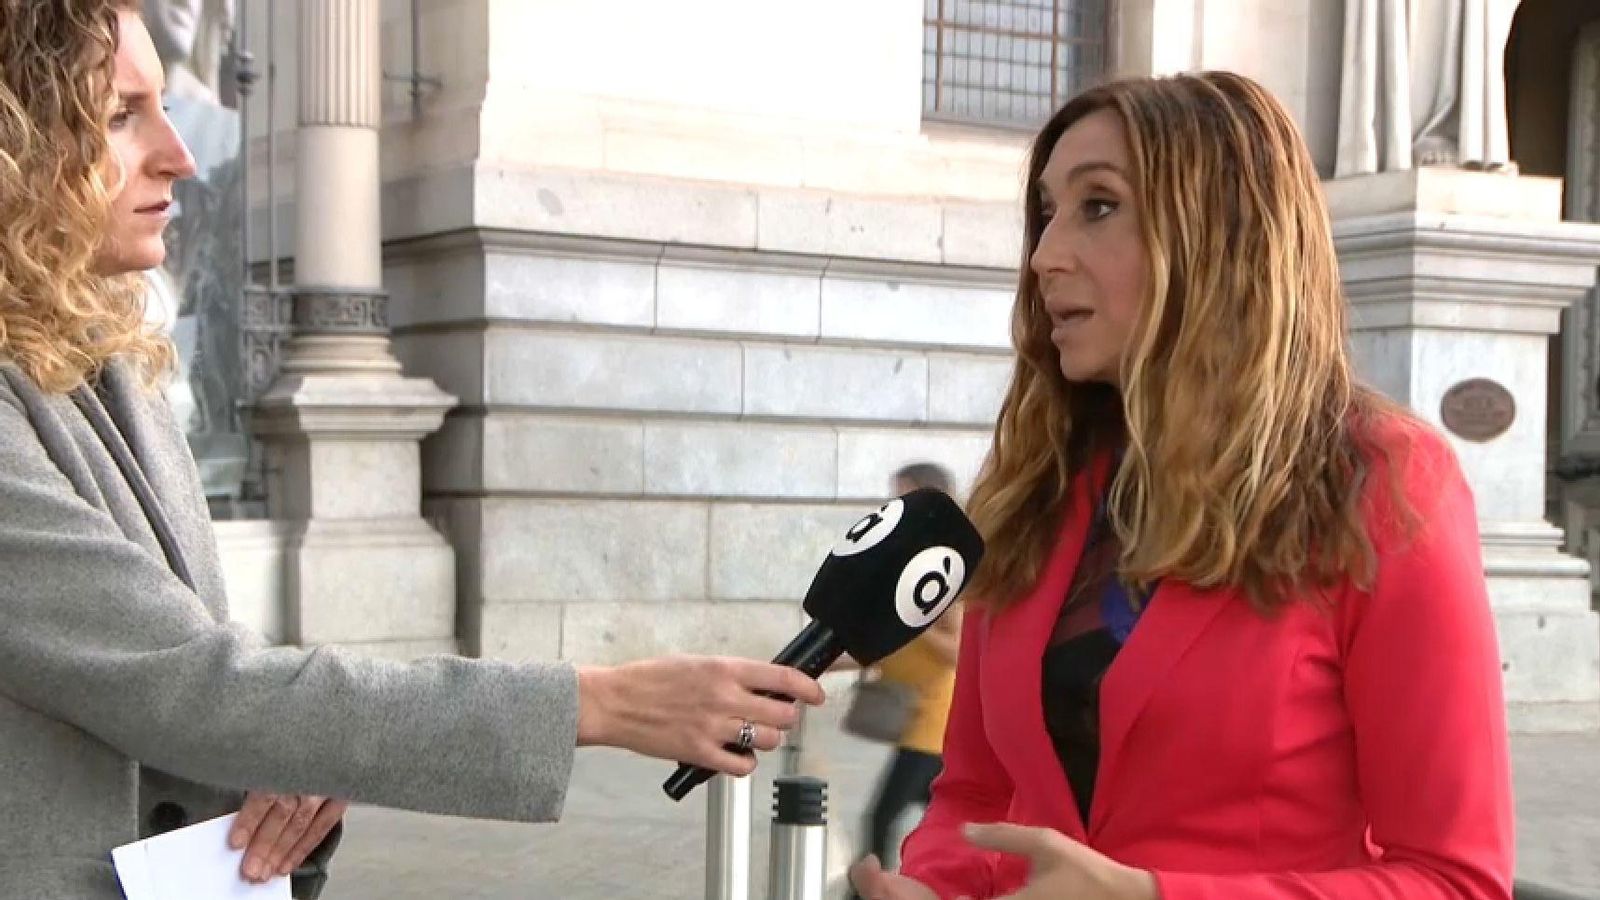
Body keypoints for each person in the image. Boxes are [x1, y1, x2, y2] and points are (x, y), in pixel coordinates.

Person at [0, 5, 823, 899]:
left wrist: (292, 759)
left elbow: (201, 690)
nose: (179, 153)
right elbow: (194, 691)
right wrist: (602, 703)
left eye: (162, 105)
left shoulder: (114, 363)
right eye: (121, 115)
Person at [850, 71, 1513, 900]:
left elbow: (1455, 880)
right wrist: (936, 885)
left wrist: (1154, 897)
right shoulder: (1038, 490)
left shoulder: (1384, 480)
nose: (1045, 256)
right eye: (1046, 214)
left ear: (1218, 236)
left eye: (1098, 207)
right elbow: (975, 796)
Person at [843, 462, 963, 898]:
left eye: (904, 498)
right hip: (912, 713)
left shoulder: (951, 564)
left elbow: (960, 651)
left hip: (931, 719)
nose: (894, 507)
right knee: (939, 814)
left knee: (881, 817)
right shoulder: (916, 561)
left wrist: (914, 621)